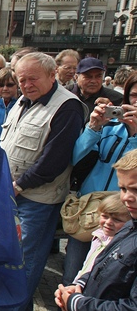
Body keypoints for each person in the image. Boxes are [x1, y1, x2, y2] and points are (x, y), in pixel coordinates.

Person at [0, 52, 86, 311]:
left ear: (52, 75)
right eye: (22, 79)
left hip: (36, 198)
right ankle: (9, 303)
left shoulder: (67, 106)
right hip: (11, 192)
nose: (26, 85)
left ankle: (14, 306)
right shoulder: (22, 101)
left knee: (25, 261)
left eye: (32, 79)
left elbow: (54, 159)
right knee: (7, 257)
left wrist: (18, 185)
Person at [62, 72, 137, 286]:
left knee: (107, 281)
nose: (136, 101)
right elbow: (77, 157)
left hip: (126, 216)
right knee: (72, 274)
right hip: (91, 209)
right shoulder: (111, 126)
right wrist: (93, 127)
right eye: (133, 95)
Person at [55, 148, 137, 311]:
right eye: (123, 189)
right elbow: (103, 264)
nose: (126, 197)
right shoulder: (131, 225)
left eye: (135, 190)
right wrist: (80, 286)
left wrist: (77, 303)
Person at [73, 193, 131, 282]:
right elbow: (87, 266)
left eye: (117, 220)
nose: (108, 222)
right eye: (105, 216)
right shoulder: (99, 237)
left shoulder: (125, 248)